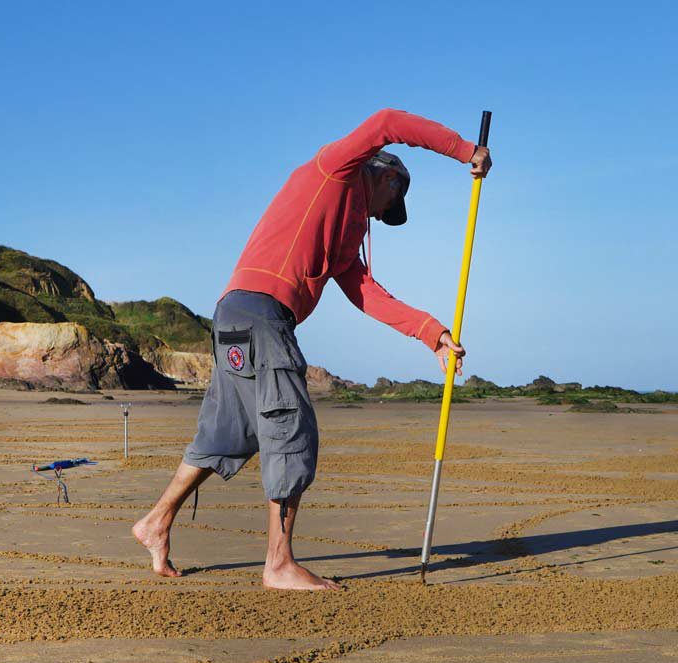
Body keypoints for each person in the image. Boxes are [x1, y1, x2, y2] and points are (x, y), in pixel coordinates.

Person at [132, 109, 493, 590]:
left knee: (227, 434)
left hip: (235, 313)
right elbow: (387, 121)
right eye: (392, 201)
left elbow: (366, 294)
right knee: (290, 432)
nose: (383, 215)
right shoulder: (335, 168)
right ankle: (278, 564)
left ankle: (156, 522)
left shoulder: (348, 234)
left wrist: (432, 334)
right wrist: (465, 150)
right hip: (263, 313)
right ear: (386, 173)